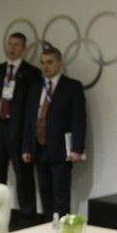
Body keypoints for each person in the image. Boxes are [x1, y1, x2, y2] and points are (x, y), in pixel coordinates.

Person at [0, 32, 42, 218]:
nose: (12, 48)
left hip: (19, 131)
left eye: (16, 45)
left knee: (23, 176)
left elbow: (31, 107)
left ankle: (27, 216)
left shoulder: (31, 73)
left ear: (23, 48)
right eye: (10, 44)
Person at [22, 43, 87, 219]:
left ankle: (63, 231)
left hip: (61, 151)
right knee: (45, 193)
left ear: (59, 64)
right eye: (42, 62)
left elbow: (79, 119)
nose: (45, 66)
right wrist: (27, 148)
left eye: (50, 62)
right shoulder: (36, 88)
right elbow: (30, 120)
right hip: (39, 149)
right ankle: (49, 229)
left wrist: (77, 149)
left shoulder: (72, 87)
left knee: (61, 195)